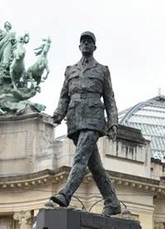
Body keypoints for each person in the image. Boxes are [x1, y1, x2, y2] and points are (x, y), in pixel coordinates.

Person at [48, 31, 122, 216]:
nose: (86, 44)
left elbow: (109, 99)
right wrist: (58, 114)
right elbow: (64, 96)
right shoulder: (70, 70)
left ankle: (66, 194)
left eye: (90, 42)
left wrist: (113, 122)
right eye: (83, 41)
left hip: (93, 118)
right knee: (95, 166)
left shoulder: (102, 70)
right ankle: (112, 202)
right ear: (79, 46)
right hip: (74, 120)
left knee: (80, 157)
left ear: (94, 47)